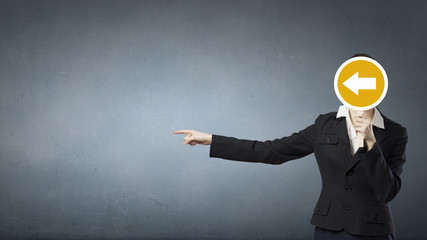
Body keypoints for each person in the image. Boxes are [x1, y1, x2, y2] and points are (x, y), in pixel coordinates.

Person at [173, 55, 408, 240]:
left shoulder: (395, 132)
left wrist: (370, 141)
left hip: (373, 230)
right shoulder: (323, 125)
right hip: (329, 229)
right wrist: (213, 140)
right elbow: (271, 151)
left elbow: (388, 191)